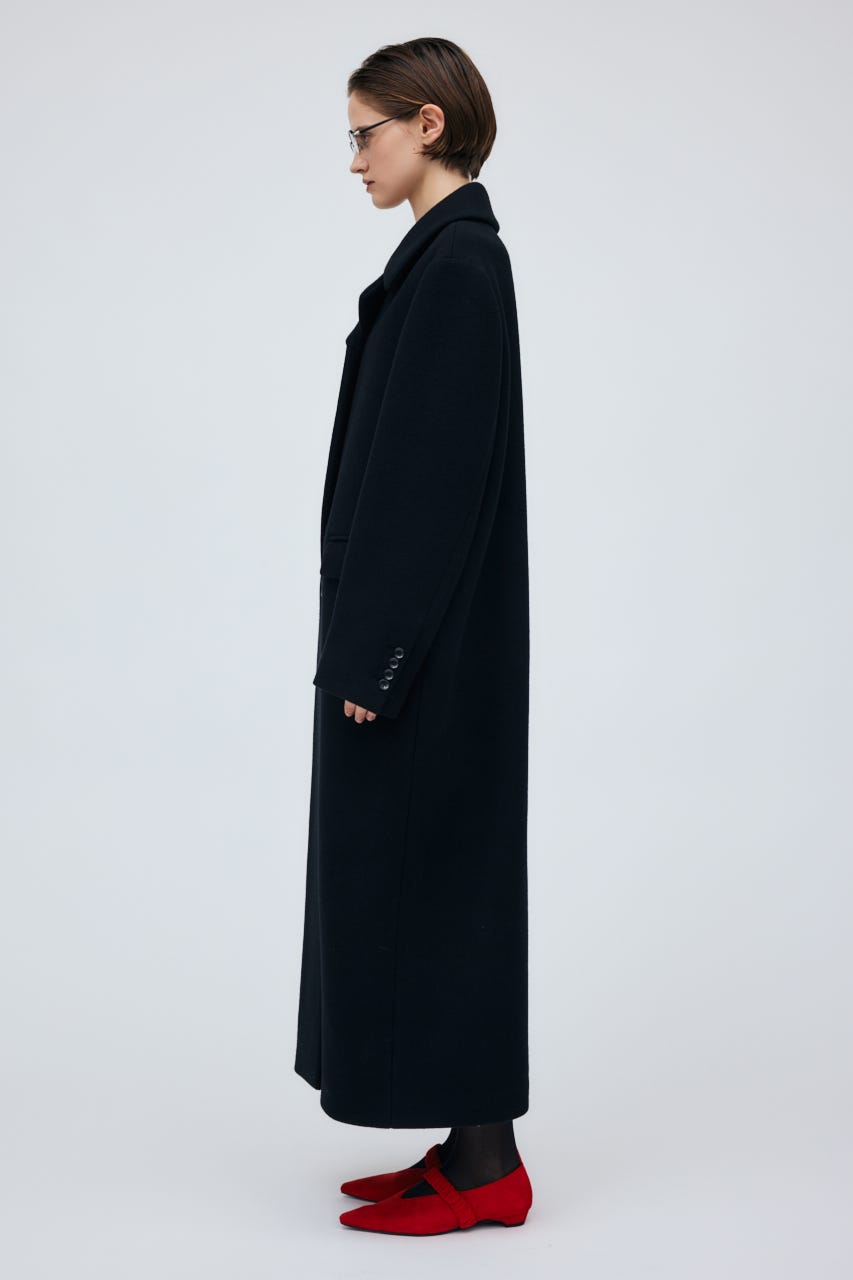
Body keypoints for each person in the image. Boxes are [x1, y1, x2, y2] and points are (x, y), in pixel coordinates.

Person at [294, 36, 532, 1235]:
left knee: (437, 886)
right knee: (435, 884)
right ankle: (471, 1144)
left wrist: (378, 656)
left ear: (427, 124)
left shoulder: (458, 268)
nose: (355, 161)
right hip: (419, 648)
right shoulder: (444, 260)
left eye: (364, 133)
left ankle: (486, 1168)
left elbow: (428, 485)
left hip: (419, 657)